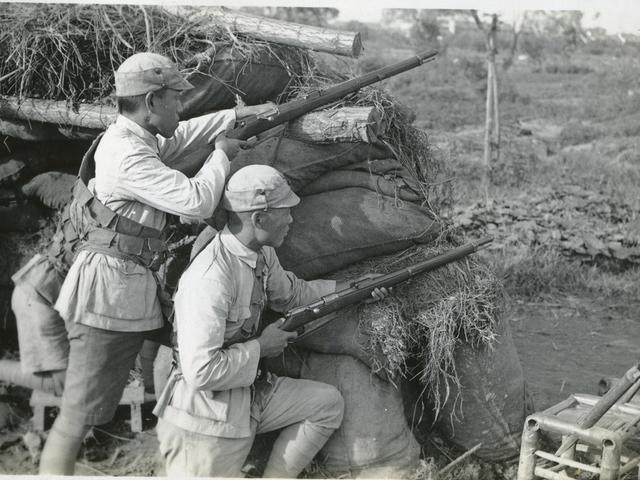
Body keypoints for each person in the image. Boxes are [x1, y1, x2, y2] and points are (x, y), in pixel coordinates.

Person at [38, 51, 251, 475]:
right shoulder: (125, 154)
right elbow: (197, 200)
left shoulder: (139, 135)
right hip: (108, 299)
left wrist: (244, 116)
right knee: (77, 415)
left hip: (133, 289)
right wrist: (222, 155)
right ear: (152, 102)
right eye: (175, 98)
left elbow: (185, 132)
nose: (181, 106)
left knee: (175, 366)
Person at [153, 164, 389, 477]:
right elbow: (201, 372)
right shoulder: (210, 279)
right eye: (285, 211)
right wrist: (261, 347)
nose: (292, 219)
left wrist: (358, 287)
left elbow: (294, 294)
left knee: (326, 403)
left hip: (247, 394)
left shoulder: (260, 254)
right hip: (205, 418)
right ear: (259, 218)